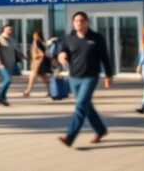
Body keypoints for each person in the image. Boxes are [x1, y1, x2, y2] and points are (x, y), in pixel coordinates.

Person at [57, 11, 113, 148]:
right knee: (87, 106)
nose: (78, 23)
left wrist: (108, 75)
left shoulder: (97, 38)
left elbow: (105, 57)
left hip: (90, 77)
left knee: (81, 105)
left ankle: (70, 137)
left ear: (87, 22)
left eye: (81, 20)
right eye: (76, 21)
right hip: (74, 78)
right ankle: (100, 130)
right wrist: (62, 56)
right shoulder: (69, 37)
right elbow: (62, 51)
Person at [0, 22, 25, 106]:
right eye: (8, 29)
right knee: (7, 80)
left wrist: (23, 56)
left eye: (11, 29)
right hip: (2, 64)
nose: (10, 31)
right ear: (4, 30)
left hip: (11, 64)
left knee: (8, 81)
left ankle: (3, 98)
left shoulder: (12, 40)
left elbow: (16, 50)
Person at [24, 30, 52, 97]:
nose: (34, 36)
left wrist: (38, 55)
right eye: (34, 35)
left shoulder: (38, 42)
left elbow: (42, 53)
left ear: (38, 36)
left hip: (38, 62)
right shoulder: (41, 42)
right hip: (39, 62)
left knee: (32, 77)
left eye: (36, 35)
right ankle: (50, 91)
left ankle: (28, 91)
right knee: (44, 78)